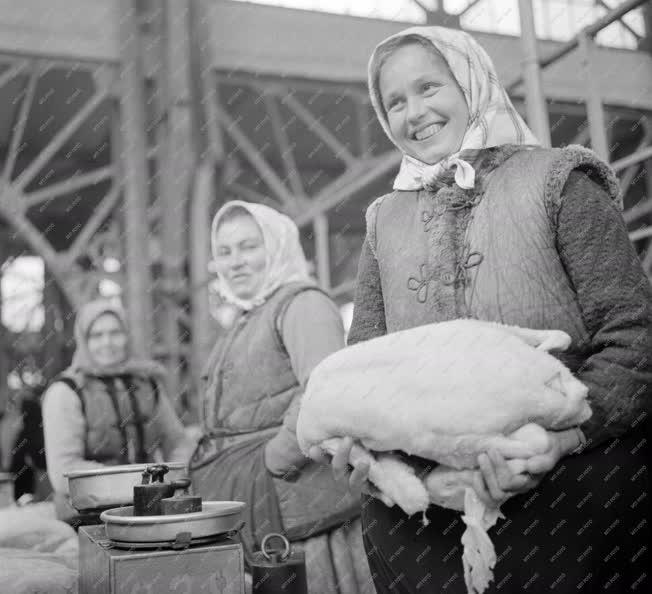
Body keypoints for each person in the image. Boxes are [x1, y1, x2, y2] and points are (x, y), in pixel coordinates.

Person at [312, 26, 651, 593]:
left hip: (574, 499)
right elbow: (364, 373)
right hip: (425, 523)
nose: (413, 112)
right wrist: (366, 459)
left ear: (471, 82)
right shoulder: (383, 223)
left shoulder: (560, 181)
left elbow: (636, 341)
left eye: (428, 87)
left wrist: (561, 440)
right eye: (394, 101)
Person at [190, 200, 375, 594]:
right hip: (264, 503)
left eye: (248, 246)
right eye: (224, 252)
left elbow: (324, 388)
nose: (235, 261)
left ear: (276, 246)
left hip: (300, 509)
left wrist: (277, 457)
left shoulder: (302, 303)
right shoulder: (248, 315)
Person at [42, 299, 195, 522]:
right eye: (97, 335)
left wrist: (171, 478)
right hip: (87, 515)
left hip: (150, 507)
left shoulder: (146, 383)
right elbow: (63, 471)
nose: (108, 342)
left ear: (126, 336)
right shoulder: (65, 392)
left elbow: (178, 442)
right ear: (84, 340)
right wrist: (134, 483)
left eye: (115, 333)